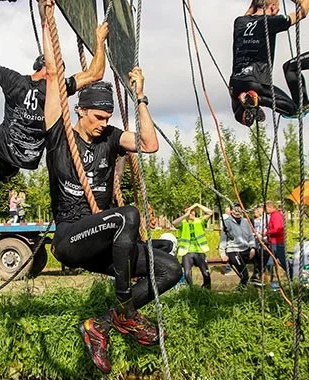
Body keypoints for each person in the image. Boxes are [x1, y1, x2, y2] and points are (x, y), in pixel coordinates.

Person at [40, 1, 181, 372]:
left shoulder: (112, 138)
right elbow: (55, 75)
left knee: (170, 269)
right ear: (81, 111)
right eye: (99, 116)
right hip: (72, 239)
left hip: (105, 240)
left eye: (108, 117)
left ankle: (102, 324)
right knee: (126, 216)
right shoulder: (60, 136)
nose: (104, 123)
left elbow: (149, 145)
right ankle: (126, 308)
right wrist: (47, 16)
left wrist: (141, 97)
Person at [0, 4, 109, 201]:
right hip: (26, 159)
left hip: (2, 146)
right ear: (46, 69)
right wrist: (100, 41)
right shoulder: (58, 89)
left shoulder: (14, 81)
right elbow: (95, 74)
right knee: (8, 171)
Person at [230, 0, 309, 126]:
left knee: (240, 116)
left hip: (236, 81)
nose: (278, 11)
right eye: (277, 8)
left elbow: (252, 8)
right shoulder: (271, 22)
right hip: (257, 81)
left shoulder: (239, 22)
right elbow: (302, 13)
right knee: (293, 109)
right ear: (272, 7)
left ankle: (248, 101)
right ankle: (256, 99)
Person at [172, 203, 214, 289]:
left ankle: (206, 289)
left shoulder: (199, 221)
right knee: (187, 273)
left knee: (206, 274)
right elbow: (174, 223)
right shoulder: (182, 223)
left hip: (199, 251)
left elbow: (210, 213)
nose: (191, 213)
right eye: (189, 212)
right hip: (187, 252)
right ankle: (191, 290)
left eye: (193, 211)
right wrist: (185, 215)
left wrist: (197, 205)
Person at [218, 205, 257, 290]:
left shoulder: (246, 221)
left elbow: (251, 236)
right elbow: (223, 239)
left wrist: (253, 248)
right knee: (244, 275)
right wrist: (222, 254)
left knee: (263, 254)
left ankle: (256, 276)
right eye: (235, 209)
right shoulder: (227, 222)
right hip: (233, 250)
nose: (238, 211)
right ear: (231, 211)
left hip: (246, 249)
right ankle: (239, 291)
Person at [265, 200, 286, 290]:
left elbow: (277, 229)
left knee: (283, 262)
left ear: (270, 207)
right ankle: (271, 281)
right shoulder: (274, 215)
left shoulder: (276, 216)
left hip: (277, 242)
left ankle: (292, 275)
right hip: (273, 242)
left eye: (266, 208)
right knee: (269, 263)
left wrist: (267, 233)